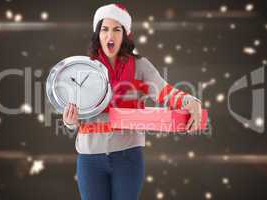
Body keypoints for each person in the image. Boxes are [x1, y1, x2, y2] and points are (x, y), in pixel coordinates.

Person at [62, 3, 202, 200]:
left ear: (125, 35)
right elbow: (75, 117)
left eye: (116, 29)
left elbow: (164, 91)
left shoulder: (140, 66)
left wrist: (191, 101)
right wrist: (70, 120)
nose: (110, 36)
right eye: (104, 29)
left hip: (127, 157)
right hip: (89, 159)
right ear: (98, 34)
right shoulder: (85, 69)